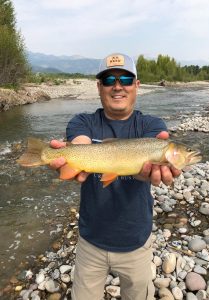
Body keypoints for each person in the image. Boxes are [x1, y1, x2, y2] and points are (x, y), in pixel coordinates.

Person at [50, 53, 180, 300]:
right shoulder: (82, 122)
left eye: (126, 80)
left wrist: (147, 173)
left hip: (136, 242)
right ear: (99, 87)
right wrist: (68, 161)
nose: (117, 86)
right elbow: (80, 144)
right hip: (91, 241)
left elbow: (147, 173)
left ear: (137, 86)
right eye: (109, 79)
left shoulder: (151, 126)